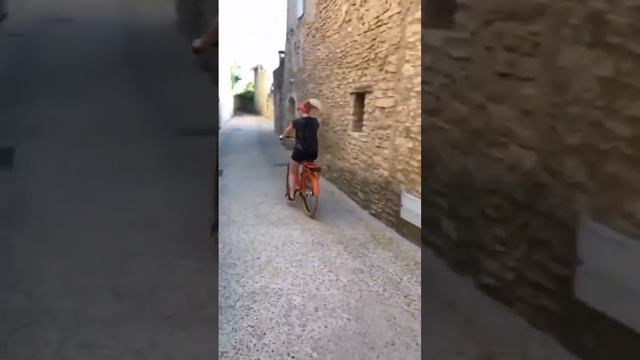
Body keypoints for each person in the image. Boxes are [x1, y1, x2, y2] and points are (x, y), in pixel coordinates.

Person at [279, 100, 321, 201]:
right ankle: (305, 184)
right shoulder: (315, 122)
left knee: (292, 171)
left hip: (300, 151)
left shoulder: (297, 122)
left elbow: (288, 131)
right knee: (306, 164)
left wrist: (282, 136)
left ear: (301, 110)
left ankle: (292, 194)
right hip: (313, 152)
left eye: (298, 109)